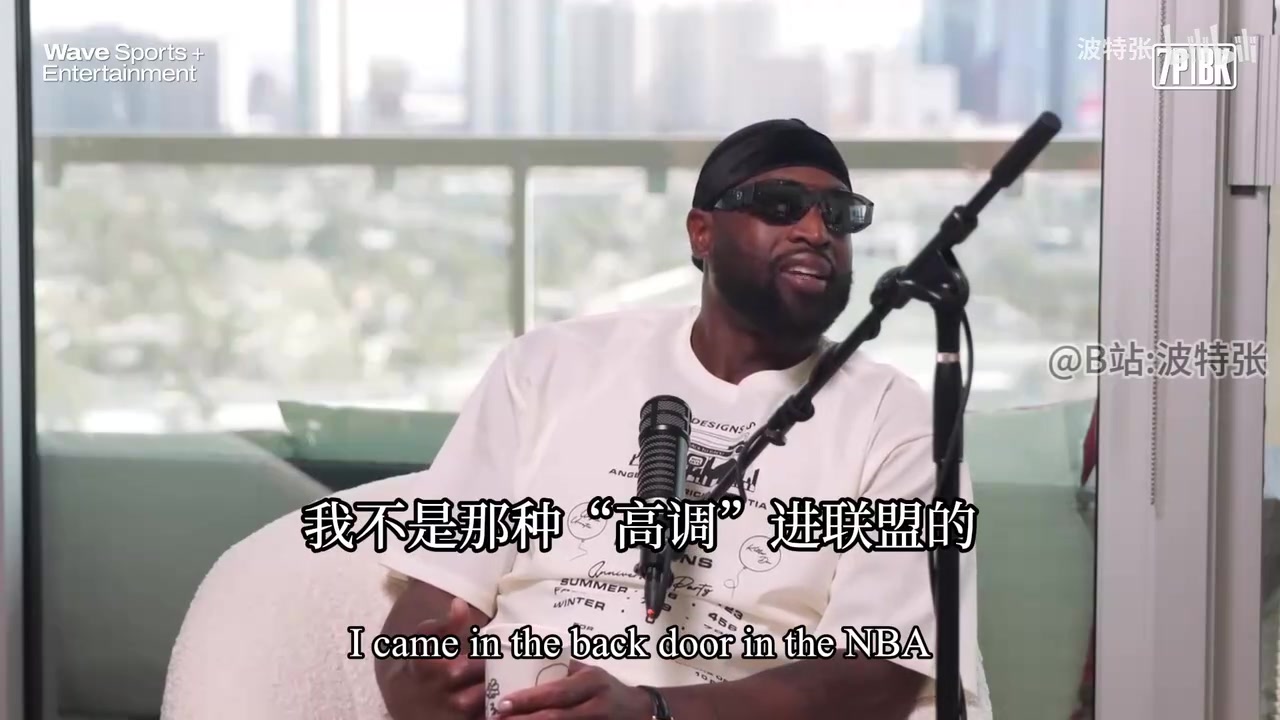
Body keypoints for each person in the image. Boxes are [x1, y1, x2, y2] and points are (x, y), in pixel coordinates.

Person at [374, 118, 993, 720]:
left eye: (838, 215)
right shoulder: (549, 366)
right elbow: (426, 604)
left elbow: (877, 678)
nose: (814, 230)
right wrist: (425, 683)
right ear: (702, 233)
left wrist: (654, 712)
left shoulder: (895, 419)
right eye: (780, 205)